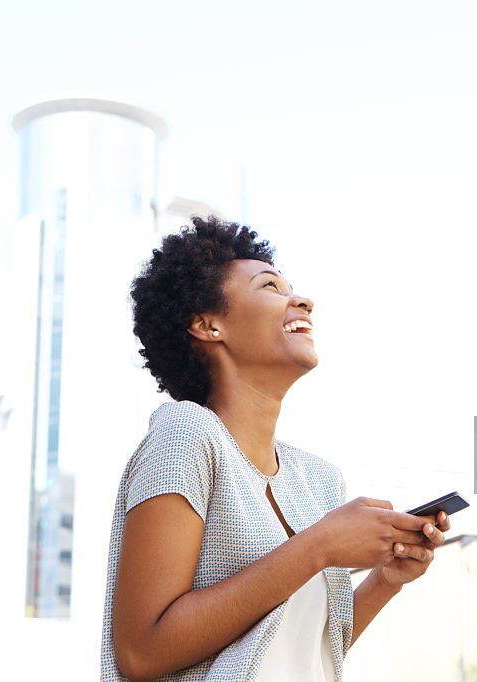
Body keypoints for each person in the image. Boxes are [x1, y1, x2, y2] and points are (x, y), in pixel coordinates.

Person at [99, 216, 452, 681]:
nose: (301, 300)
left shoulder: (319, 480)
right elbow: (142, 653)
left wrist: (385, 582)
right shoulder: (186, 436)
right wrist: (319, 546)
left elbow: (302, 649)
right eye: (270, 287)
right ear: (208, 325)